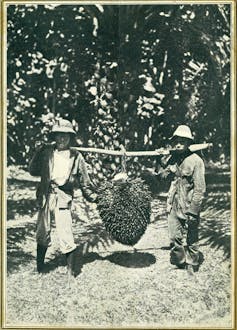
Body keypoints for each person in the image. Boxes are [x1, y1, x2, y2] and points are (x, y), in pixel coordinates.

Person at [29, 118, 97, 276]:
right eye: (59, 135)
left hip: (63, 197)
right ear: (54, 136)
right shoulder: (47, 152)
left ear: (70, 138)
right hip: (46, 196)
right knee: (42, 231)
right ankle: (40, 267)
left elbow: (85, 182)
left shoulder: (76, 157)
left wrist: (94, 198)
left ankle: (72, 271)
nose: (62, 138)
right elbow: (33, 170)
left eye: (65, 135)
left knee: (65, 232)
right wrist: (38, 152)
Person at [159, 125, 206, 275]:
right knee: (174, 236)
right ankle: (179, 261)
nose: (178, 144)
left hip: (189, 204)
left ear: (188, 143)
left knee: (191, 235)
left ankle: (192, 262)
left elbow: (200, 189)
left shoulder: (196, 161)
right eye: (176, 141)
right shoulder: (172, 159)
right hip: (174, 203)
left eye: (182, 141)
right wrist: (160, 158)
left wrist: (193, 211)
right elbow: (161, 177)